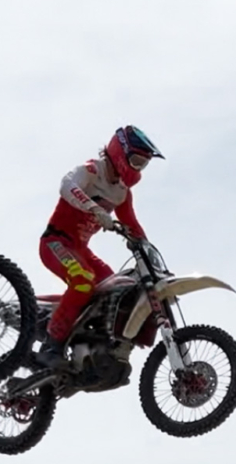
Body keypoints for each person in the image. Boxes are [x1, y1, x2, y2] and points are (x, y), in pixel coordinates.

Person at [36, 125, 165, 368]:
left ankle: (90, 347)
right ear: (120, 153)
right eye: (136, 161)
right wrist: (94, 208)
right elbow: (67, 185)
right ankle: (51, 346)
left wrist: (147, 250)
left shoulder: (121, 192)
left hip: (80, 250)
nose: (138, 169)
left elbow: (132, 224)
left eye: (143, 164)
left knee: (118, 288)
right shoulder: (92, 171)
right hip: (56, 241)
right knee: (83, 280)